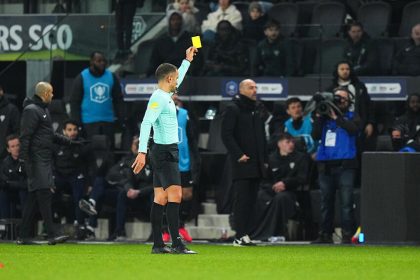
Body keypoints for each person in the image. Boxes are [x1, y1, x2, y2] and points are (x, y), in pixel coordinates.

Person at [131, 46, 198, 254]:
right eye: (176, 78)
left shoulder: (165, 94)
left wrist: (186, 61)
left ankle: (158, 245)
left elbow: (180, 75)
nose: (178, 81)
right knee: (175, 195)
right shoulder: (158, 98)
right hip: (164, 152)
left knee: (160, 198)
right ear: (169, 79)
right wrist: (141, 152)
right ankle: (177, 244)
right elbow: (145, 123)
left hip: (163, 151)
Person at [18, 82, 79, 245]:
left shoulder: (42, 110)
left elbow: (50, 135)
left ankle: (23, 235)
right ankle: (51, 234)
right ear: (44, 93)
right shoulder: (31, 111)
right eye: (51, 93)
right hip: (36, 159)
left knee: (33, 198)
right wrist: (23, 160)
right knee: (44, 194)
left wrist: (70, 142)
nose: (53, 96)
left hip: (43, 159)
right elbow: (25, 137)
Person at [312, 87, 361, 244]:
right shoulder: (324, 118)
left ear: (348, 102)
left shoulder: (353, 116)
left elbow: (353, 130)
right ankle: (325, 234)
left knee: (346, 203)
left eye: (343, 99)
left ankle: (348, 234)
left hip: (346, 165)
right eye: (337, 98)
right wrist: (319, 115)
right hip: (326, 165)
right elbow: (316, 135)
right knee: (326, 203)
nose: (340, 101)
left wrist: (336, 117)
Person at [221, 79, 267, 246]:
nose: (255, 90)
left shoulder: (256, 110)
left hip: (256, 163)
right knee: (242, 200)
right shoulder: (233, 108)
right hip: (242, 163)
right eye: (250, 87)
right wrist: (238, 154)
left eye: (256, 87)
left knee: (252, 201)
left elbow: (261, 137)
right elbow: (226, 134)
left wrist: (264, 160)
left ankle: (246, 234)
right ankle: (239, 235)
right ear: (241, 90)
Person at [79, 136, 153, 241]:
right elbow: (111, 173)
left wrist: (135, 190)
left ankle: (117, 231)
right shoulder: (126, 159)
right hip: (124, 189)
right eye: (135, 143)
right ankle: (91, 210)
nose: (137, 146)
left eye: (140, 143)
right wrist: (124, 180)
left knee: (121, 194)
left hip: (140, 196)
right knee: (100, 183)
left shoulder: (151, 161)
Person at [252, 132, 309, 240]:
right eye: (287, 142)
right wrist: (273, 187)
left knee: (281, 198)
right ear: (279, 144)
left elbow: (302, 178)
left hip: (292, 193)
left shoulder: (301, 158)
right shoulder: (271, 159)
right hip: (272, 191)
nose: (291, 144)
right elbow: (264, 180)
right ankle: (256, 231)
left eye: (292, 142)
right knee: (259, 196)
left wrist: (285, 183)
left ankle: (274, 232)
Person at [162, 93, 200, 243]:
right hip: (167, 162)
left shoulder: (184, 115)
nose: (174, 99)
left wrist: (196, 160)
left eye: (176, 97)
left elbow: (192, 138)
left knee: (186, 196)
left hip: (183, 162)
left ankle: (180, 225)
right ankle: (165, 229)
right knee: (166, 196)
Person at [70, 51, 124, 148]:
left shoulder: (111, 76)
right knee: (90, 151)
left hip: (108, 121)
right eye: (99, 61)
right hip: (88, 122)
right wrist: (77, 123)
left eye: (104, 61)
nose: (102, 63)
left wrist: (120, 118)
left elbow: (118, 100)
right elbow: (74, 102)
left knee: (109, 151)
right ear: (92, 62)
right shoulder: (82, 77)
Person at [52, 119, 90, 228]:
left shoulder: (82, 144)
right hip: (59, 175)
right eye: (69, 130)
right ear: (64, 131)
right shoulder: (56, 144)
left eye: (74, 130)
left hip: (76, 175)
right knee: (48, 193)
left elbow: (88, 166)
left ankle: (80, 225)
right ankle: (51, 224)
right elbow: (50, 163)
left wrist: (89, 183)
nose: (72, 132)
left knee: (79, 196)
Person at [327, 61, 374, 147]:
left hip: (358, 124)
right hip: (338, 126)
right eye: (342, 69)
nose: (345, 71)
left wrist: (370, 123)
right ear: (337, 71)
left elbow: (368, 105)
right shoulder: (331, 89)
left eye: (347, 69)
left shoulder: (359, 86)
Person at [148, 10, 202, 77]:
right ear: (169, 22)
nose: (176, 22)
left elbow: (200, 59)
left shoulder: (195, 38)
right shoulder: (160, 40)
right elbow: (154, 61)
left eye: (178, 19)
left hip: (187, 75)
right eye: (173, 20)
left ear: (182, 21)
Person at [0, 135, 27, 220]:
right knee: (3, 194)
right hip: (12, 193)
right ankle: (5, 227)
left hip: (26, 193)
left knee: (23, 192)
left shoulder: (27, 160)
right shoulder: (5, 163)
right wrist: (12, 184)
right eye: (13, 146)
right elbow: (4, 182)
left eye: (18, 145)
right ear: (8, 149)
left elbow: (26, 184)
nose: (16, 148)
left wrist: (10, 184)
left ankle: (26, 226)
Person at [0, 85, 20, 160]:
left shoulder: (12, 110)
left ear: (1, 91)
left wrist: (8, 150)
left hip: (5, 157)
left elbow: (17, 132)